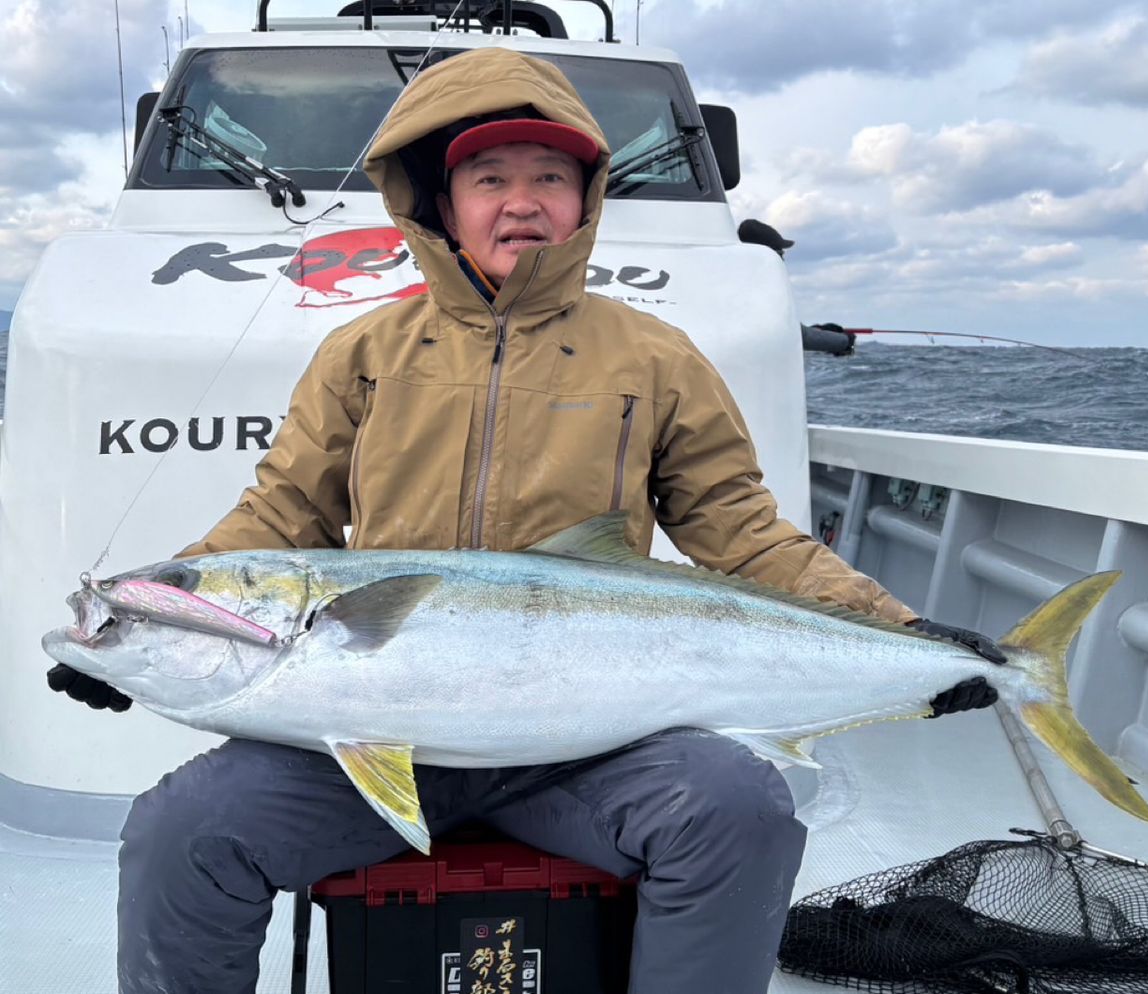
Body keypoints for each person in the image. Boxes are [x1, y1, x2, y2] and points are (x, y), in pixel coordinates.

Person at [47, 48, 1003, 994]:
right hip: (368, 736)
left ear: (585, 200)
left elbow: (743, 530)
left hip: (587, 747)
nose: (522, 200)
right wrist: (151, 620)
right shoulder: (364, 351)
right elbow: (279, 514)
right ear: (440, 199)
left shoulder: (656, 357)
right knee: (185, 828)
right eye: (490, 176)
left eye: (551, 177)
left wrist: (902, 631)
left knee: (738, 807)